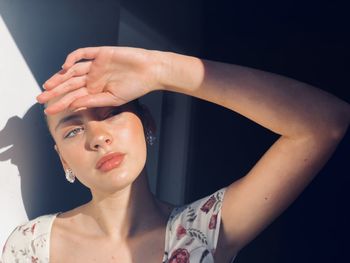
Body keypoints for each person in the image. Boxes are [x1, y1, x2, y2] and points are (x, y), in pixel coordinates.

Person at [2, 46, 349, 263]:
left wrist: (160, 70)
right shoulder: (29, 247)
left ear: (147, 124)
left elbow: (324, 123)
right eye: (74, 130)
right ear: (63, 159)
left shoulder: (200, 234)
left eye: (111, 113)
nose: (98, 137)